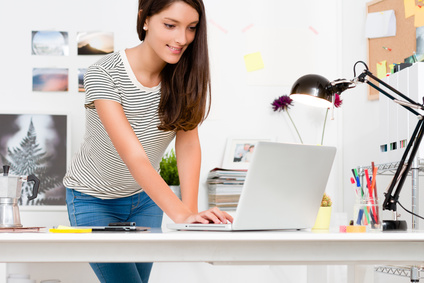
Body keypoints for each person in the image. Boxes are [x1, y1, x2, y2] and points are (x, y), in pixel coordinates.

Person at [63, 0, 233, 282]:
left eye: (191, 28)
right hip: (92, 199)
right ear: (144, 19)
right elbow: (134, 157)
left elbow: (188, 144)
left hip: (145, 201)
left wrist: (191, 215)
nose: (182, 39)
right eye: (170, 25)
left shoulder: (184, 76)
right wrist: (179, 215)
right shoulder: (102, 74)